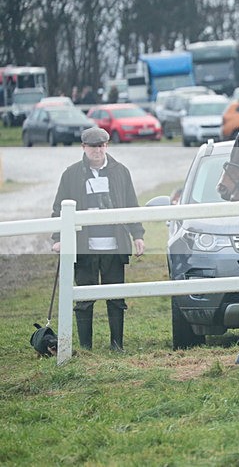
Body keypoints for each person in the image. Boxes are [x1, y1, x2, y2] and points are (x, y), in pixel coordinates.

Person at [51, 127, 145, 351]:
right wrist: (58, 238)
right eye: (93, 146)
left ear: (107, 146)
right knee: (84, 300)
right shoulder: (71, 174)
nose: (98, 150)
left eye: (101, 145)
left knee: (116, 299)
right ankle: (86, 349)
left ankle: (117, 346)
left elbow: (131, 205)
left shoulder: (121, 172)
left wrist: (138, 235)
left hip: (115, 246)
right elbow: (59, 209)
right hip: (84, 247)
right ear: (83, 147)